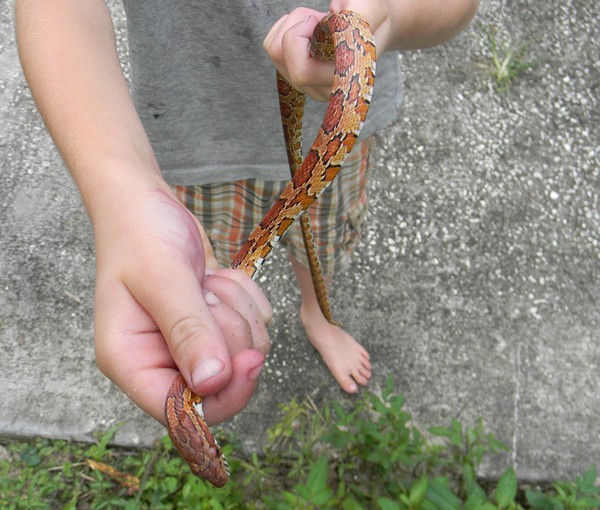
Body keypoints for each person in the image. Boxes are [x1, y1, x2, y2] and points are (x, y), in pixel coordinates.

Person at [15, 0, 479, 428]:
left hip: (336, 123)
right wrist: (120, 194)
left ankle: (318, 317)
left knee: (318, 241)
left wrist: (387, 16)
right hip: (198, 149)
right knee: (210, 251)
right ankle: (304, 311)